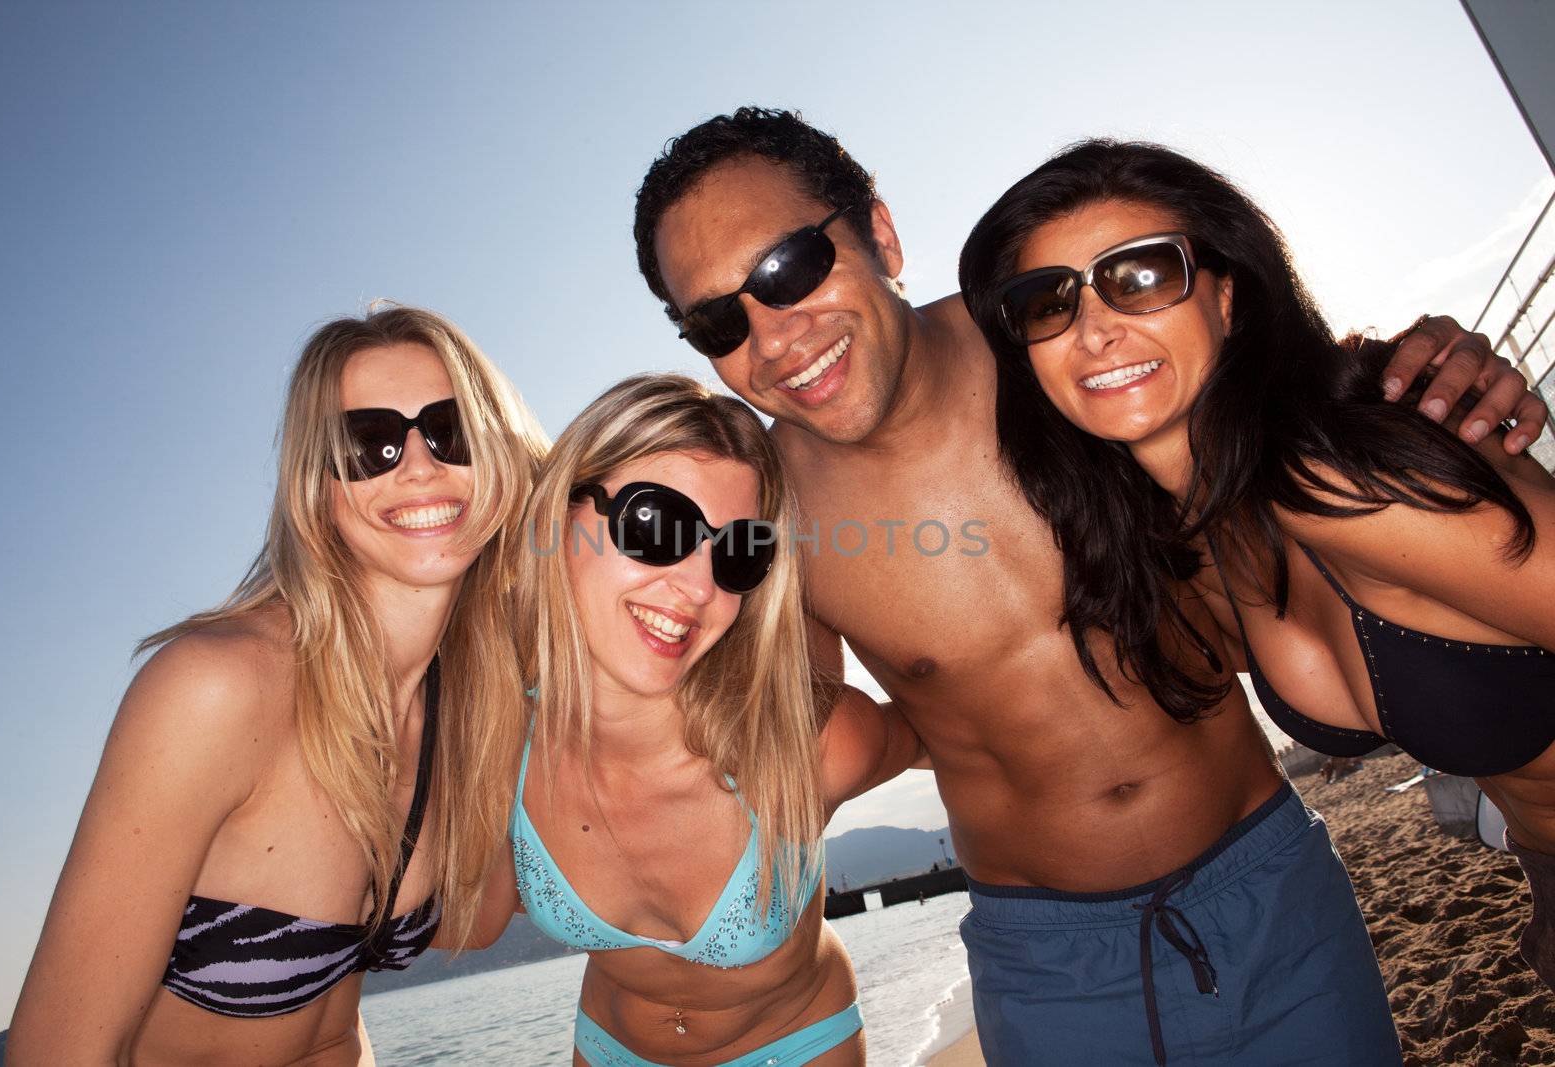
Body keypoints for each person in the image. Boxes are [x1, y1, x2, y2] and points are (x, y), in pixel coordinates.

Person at [630, 107, 1549, 1064]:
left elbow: (1270, 391)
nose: (774, 338)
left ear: (881, 233)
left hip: (1268, 886)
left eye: (789, 268)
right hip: (1049, 963)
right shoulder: (767, 513)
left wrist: (1420, 367)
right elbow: (813, 732)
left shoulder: (1064, 343)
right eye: (719, 320)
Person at [957, 139, 1555, 990]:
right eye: (1047, 302)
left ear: (1228, 297)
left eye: (1142, 275)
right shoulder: (1200, 540)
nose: (1095, 328)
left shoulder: (1338, 473)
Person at [7, 306, 544, 1064]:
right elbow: (58, 1050)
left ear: (499, 453)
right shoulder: (215, 690)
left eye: (449, 429)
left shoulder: (469, 709)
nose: (418, 464)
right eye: (370, 445)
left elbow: (475, 922)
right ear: (315, 486)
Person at [508, 374, 922, 1066]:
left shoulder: (808, 745)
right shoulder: (493, 742)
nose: (701, 588)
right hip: (608, 1048)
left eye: (738, 554)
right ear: (558, 515)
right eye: (658, 526)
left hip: (792, 1046)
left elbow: (950, 736)